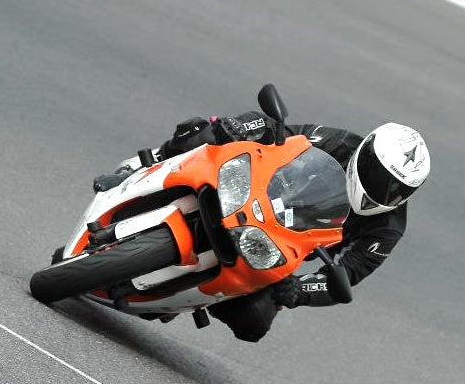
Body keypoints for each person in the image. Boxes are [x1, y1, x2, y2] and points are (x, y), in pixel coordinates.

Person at [95, 111, 431, 342]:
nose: (385, 192)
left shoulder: (387, 228)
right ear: (366, 153)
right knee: (204, 130)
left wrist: (299, 292)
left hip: (281, 246)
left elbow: (348, 274)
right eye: (380, 176)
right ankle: (145, 165)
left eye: (397, 189)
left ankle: (193, 299)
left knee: (254, 322)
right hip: (254, 192)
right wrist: (242, 126)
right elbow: (280, 133)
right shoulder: (341, 143)